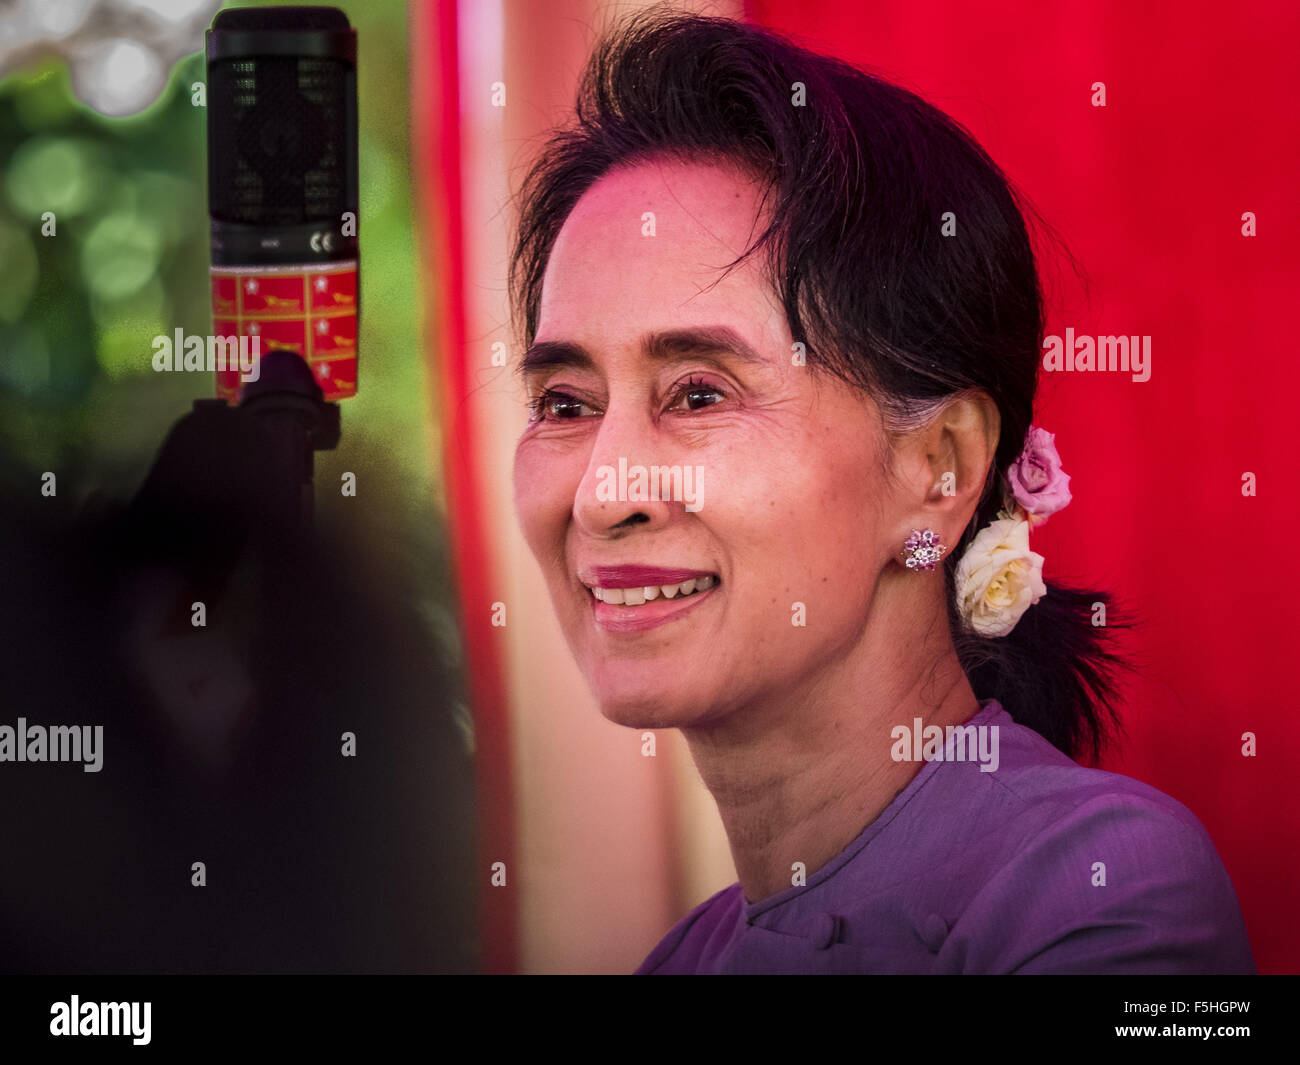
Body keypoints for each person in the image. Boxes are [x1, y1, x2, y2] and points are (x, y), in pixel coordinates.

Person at [508, 12, 1254, 974]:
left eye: (699, 393)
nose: (607, 493)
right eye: (565, 403)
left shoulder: (1109, 892)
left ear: (938, 468)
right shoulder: (685, 956)